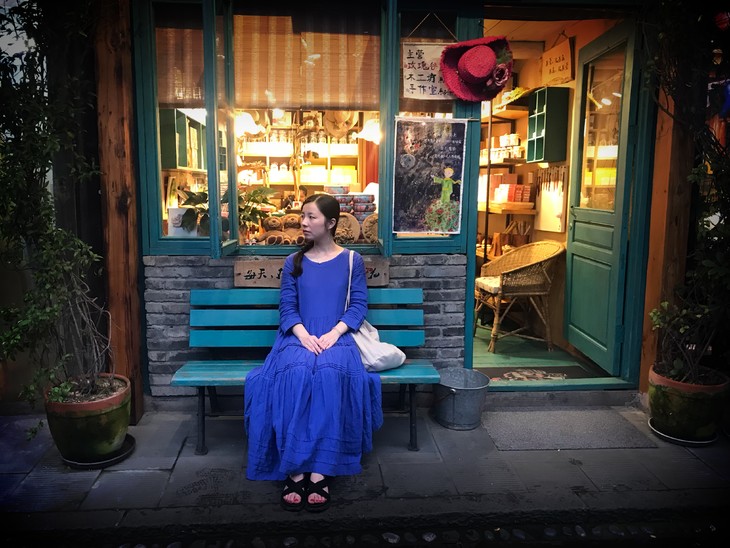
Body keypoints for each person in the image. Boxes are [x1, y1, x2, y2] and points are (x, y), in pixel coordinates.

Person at [244, 193, 382, 513]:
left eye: (311, 217)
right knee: (295, 373)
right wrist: (304, 335)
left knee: (331, 375)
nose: (303, 223)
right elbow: (287, 307)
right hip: (297, 336)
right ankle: (295, 468)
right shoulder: (293, 261)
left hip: (338, 337)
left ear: (331, 223)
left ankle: (321, 469)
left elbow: (358, 305)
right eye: (303, 216)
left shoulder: (352, 260)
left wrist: (334, 333)